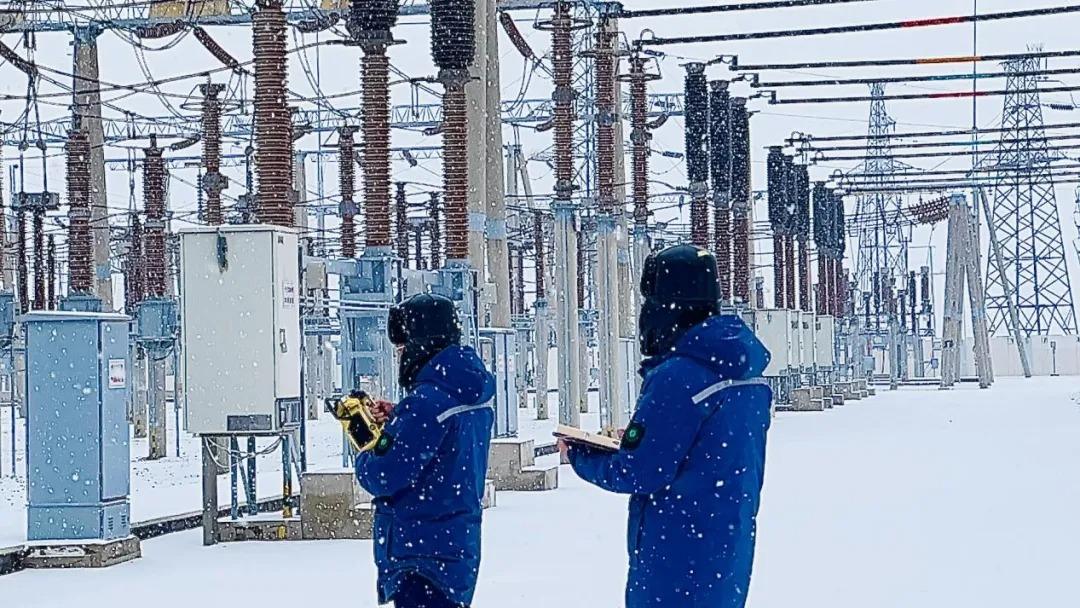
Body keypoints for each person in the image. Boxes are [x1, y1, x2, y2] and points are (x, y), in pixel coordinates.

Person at [561, 244, 773, 608]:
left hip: (675, 559)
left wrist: (582, 456)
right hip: (727, 550)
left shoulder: (678, 377)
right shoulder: (747, 377)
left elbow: (639, 471)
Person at [352, 293, 495, 608]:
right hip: (455, 547)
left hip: (421, 556)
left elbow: (382, 475)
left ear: (420, 344)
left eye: (401, 349)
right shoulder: (469, 393)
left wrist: (366, 447)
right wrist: (400, 418)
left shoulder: (426, 405)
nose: (400, 357)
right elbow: (443, 442)